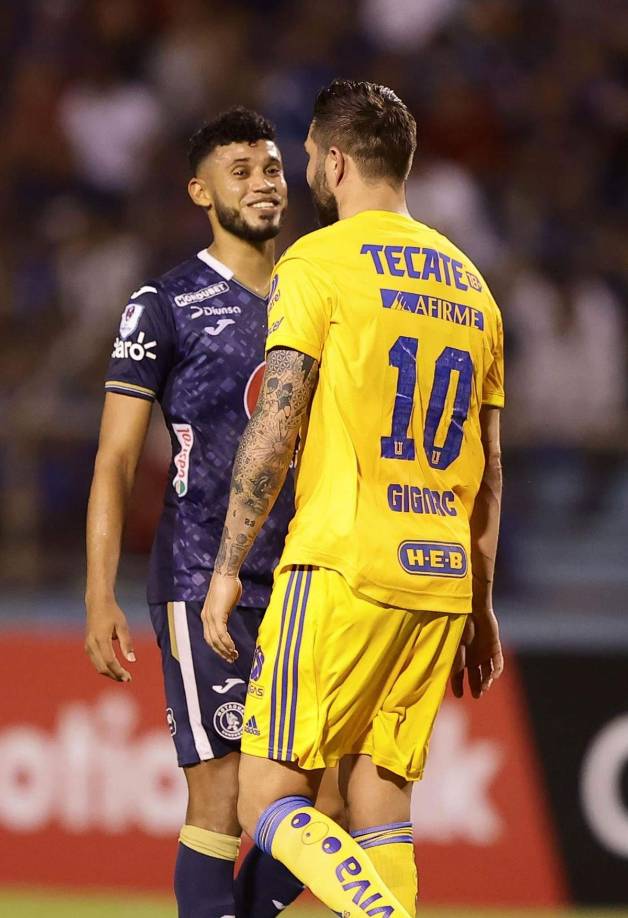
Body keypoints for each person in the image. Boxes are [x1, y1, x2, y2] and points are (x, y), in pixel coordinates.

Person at [202, 80, 505, 918]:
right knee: (378, 809)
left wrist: (229, 563)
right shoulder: (473, 287)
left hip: (343, 565)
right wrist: (480, 606)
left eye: (304, 156)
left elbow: (278, 417)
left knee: (263, 794)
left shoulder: (318, 262)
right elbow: (490, 472)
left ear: (334, 162)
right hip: (439, 577)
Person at [85, 108, 313, 918]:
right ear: (200, 190)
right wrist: (98, 590)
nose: (262, 183)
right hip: (196, 576)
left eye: (272, 167)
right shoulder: (166, 303)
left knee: (316, 808)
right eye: (241, 170)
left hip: (305, 580)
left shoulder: (317, 287)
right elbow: (115, 458)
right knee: (217, 800)